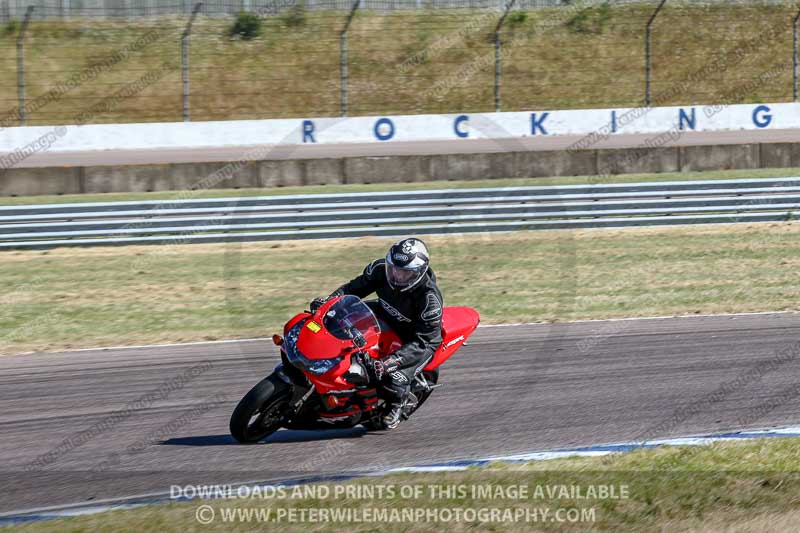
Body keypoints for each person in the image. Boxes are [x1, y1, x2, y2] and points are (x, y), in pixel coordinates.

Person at [311, 237, 443, 429]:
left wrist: (390, 362)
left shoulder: (429, 300)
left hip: (414, 337)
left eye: (405, 272)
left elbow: (427, 341)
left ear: (418, 273)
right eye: (394, 268)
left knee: (390, 376)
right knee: (339, 320)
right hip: (384, 312)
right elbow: (353, 288)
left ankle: (398, 405)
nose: (397, 275)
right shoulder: (380, 269)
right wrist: (329, 302)